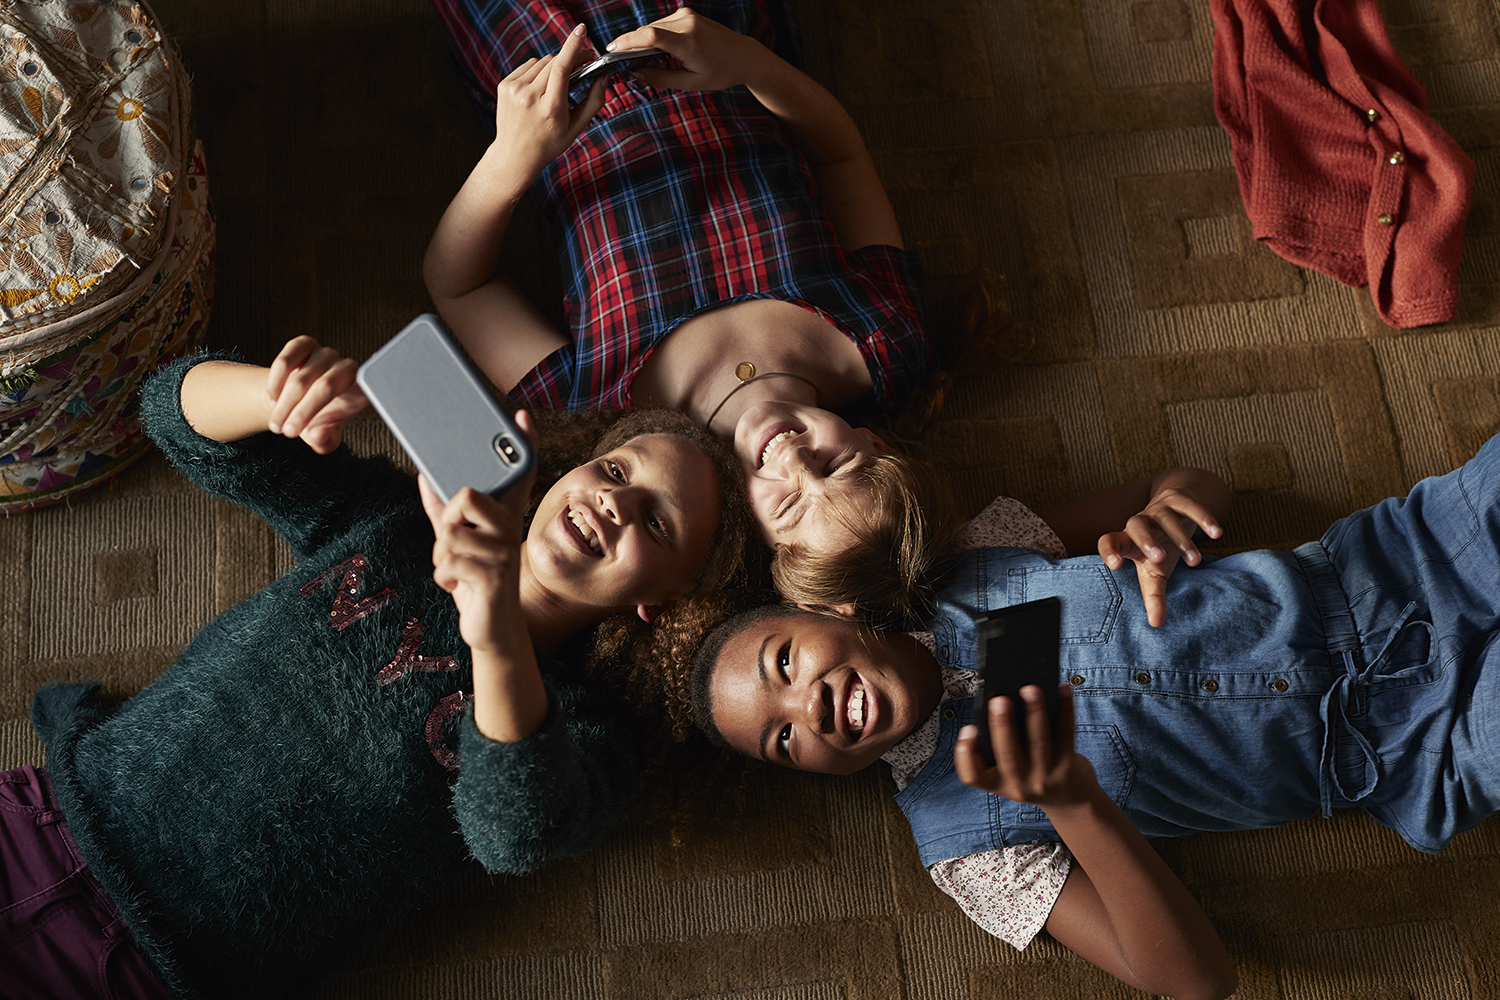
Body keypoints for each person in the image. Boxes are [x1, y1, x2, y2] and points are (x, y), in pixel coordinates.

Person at [5, 336, 753, 1000]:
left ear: (661, 600)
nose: (615, 503)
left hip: (154, 969)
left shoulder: (590, 736)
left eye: (656, 521)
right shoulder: (399, 522)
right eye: (616, 469)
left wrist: (492, 617)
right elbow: (172, 416)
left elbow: (512, 831)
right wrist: (273, 397)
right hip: (47, 816)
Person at [684, 434, 1500, 999]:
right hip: (1417, 748)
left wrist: (1168, 515)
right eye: (784, 739)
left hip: (1394, 559)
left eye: (785, 663)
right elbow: (1195, 979)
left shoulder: (978, 558)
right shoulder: (967, 848)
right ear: (824, 770)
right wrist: (1073, 804)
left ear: (836, 611)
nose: (808, 706)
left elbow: (1184, 484)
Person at [424, 0, 952, 627]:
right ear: (873, 441)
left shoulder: (612, 417)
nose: (792, 459)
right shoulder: (884, 338)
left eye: (787, 507)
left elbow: (457, 285)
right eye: (837, 464)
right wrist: (754, 65)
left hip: (539, 60)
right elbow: (843, 158)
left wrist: (512, 155)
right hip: (708, 27)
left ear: (754, 538)